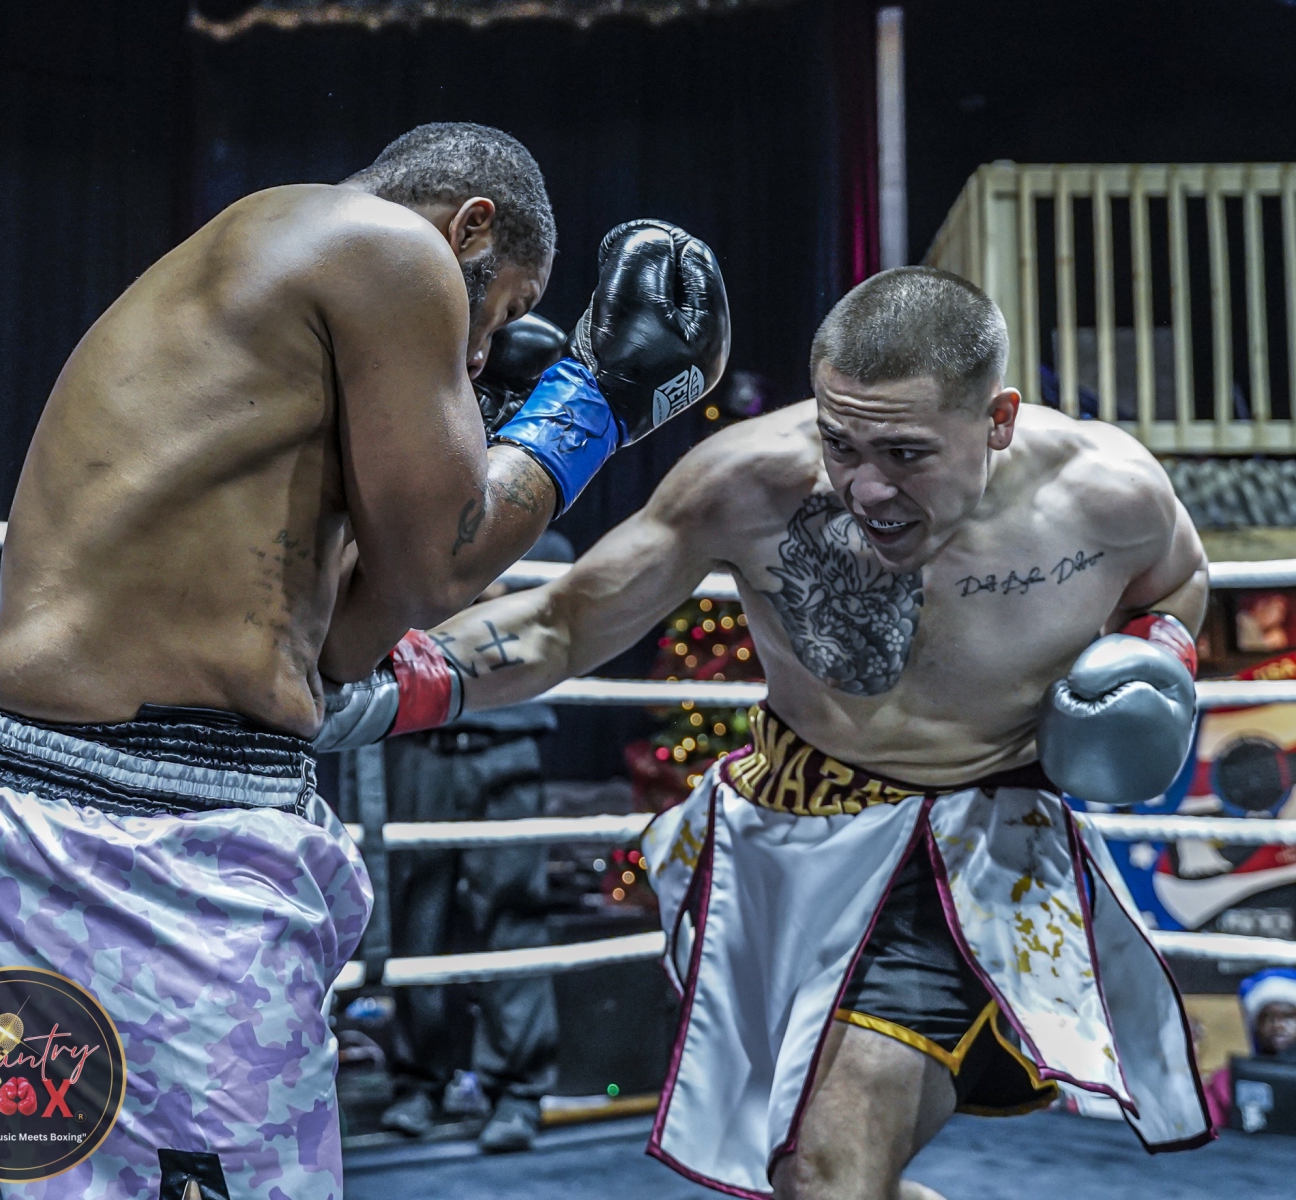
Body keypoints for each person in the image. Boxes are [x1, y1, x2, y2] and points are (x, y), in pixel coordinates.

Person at [0, 120, 729, 1200]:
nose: (479, 356)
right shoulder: (389, 247)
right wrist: (595, 404)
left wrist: (480, 436)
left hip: (53, 801)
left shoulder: (261, 301)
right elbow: (441, 566)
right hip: (143, 826)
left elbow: (348, 638)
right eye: (502, 310)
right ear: (470, 227)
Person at [389, 266, 1214, 1197]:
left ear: (997, 420)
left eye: (904, 453)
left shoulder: (1105, 494)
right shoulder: (747, 482)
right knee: (801, 1179)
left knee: (827, 1172)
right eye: (839, 442)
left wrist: (1159, 653)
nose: (865, 486)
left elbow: (1178, 578)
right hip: (788, 842)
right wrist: (384, 686)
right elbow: (564, 622)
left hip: (968, 857)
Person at [380, 528, 573, 1153]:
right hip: (420, 743)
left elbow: (535, 602)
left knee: (514, 917)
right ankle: (417, 1084)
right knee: (417, 918)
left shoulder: (540, 537)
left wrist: (451, 589)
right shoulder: (420, 527)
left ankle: (517, 1093)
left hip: (507, 744)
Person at [1203, 967, 1296, 1128]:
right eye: (1267, 1017)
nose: (1278, 1025)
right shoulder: (1225, 1082)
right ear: (1254, 1027)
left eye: (1288, 1017)